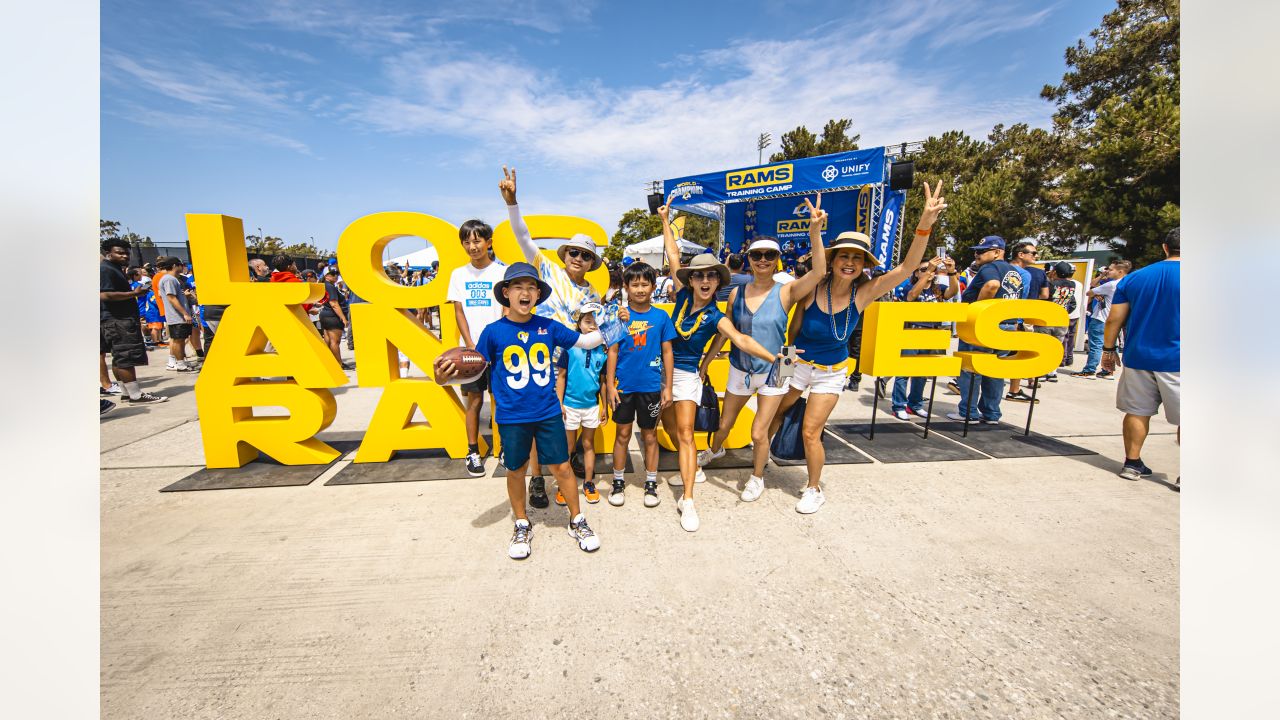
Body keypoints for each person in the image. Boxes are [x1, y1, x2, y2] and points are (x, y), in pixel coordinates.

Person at [770, 182, 947, 513]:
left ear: (863, 264)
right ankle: (763, 460)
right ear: (834, 259)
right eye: (844, 256)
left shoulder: (863, 294)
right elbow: (793, 332)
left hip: (831, 373)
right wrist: (785, 366)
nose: (849, 262)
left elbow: (907, 268)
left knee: (811, 430)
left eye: (857, 258)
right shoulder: (813, 288)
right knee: (774, 412)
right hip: (796, 365)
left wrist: (924, 223)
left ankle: (813, 488)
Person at [436, 262, 608, 560]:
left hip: (547, 412)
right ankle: (521, 522)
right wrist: (443, 377)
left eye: (531, 287)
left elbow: (586, 340)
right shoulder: (493, 332)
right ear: (506, 293)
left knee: (563, 467)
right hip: (512, 415)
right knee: (516, 470)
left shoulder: (549, 326)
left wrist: (617, 323)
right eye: (518, 287)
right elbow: (475, 371)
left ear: (538, 295)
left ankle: (576, 519)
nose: (525, 292)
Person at [656, 200, 784, 531]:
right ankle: (690, 469)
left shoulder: (716, 316)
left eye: (710, 276)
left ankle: (689, 500)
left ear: (717, 281)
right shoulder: (683, 296)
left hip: (684, 375)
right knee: (669, 429)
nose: (703, 280)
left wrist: (776, 358)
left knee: (686, 434)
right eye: (698, 275)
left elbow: (741, 340)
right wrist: (665, 220)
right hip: (657, 367)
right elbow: (672, 256)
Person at [696, 196, 830, 502]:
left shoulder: (788, 290)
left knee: (759, 432)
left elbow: (820, 272)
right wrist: (707, 362)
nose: (763, 260)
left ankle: (756, 477)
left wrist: (815, 232)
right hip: (740, 365)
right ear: (749, 259)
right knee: (724, 424)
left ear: (777, 258)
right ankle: (713, 452)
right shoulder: (737, 293)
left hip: (781, 364)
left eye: (770, 255)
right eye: (757, 255)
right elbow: (727, 333)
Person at [500, 166, 604, 508]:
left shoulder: (592, 292)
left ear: (591, 263)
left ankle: (564, 473)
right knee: (532, 423)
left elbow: (594, 334)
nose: (578, 258)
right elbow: (522, 236)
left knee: (562, 424)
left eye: (585, 255)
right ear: (565, 255)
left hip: (572, 360)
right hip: (538, 355)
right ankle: (537, 479)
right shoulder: (546, 269)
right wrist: (513, 203)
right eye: (574, 252)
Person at [1102, 230, 1179, 482]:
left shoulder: (1135, 278)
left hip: (1138, 356)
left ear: (1165, 247)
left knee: (1137, 411)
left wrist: (1108, 349)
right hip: (1180, 360)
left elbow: (1114, 318)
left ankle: (1132, 464)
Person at [605, 261, 676, 509]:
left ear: (654, 286)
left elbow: (668, 352)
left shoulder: (661, 317)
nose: (640, 289)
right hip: (623, 387)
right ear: (625, 287)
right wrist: (610, 386)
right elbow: (612, 351)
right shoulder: (618, 315)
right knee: (622, 434)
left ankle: (651, 483)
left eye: (645, 284)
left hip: (651, 388)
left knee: (649, 435)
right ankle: (617, 481)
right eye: (634, 284)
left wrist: (667, 386)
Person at [446, 218, 507, 477]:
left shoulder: (501, 272)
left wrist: (497, 343)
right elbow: (459, 312)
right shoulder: (458, 274)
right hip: (470, 353)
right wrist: (471, 345)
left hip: (499, 350)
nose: (473, 246)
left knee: (501, 400)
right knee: (474, 401)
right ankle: (472, 451)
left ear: (489, 242)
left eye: (477, 241)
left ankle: (505, 448)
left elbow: (507, 309)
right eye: (467, 242)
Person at [946, 235, 1023, 424]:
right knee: (994, 371)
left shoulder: (991, 268)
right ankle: (991, 413)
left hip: (985, 325)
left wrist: (979, 311)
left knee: (971, 369)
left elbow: (992, 285)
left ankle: (968, 412)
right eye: (976, 251)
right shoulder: (1014, 271)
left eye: (982, 251)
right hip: (1006, 324)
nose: (976, 255)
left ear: (997, 252)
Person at [890, 254, 958, 420]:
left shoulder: (938, 289)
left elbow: (953, 292)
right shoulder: (908, 287)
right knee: (904, 372)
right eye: (923, 269)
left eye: (933, 269)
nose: (931, 272)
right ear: (916, 273)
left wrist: (951, 272)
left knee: (922, 373)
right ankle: (899, 405)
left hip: (932, 332)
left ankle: (915, 405)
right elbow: (912, 296)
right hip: (912, 332)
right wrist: (928, 272)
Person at [100, 239, 167, 404]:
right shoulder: (106, 269)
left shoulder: (114, 269)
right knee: (126, 356)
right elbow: (104, 295)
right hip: (118, 320)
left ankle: (126, 392)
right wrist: (134, 294)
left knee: (119, 357)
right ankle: (136, 395)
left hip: (118, 319)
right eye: (120, 252)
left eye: (126, 253)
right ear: (108, 253)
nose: (125, 256)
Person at [555, 305, 608, 506]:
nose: (592, 326)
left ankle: (588, 483)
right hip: (570, 405)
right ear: (579, 324)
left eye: (595, 322)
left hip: (591, 406)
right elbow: (561, 376)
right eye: (587, 322)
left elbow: (602, 381)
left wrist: (604, 406)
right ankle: (563, 486)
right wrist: (559, 403)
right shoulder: (570, 348)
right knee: (568, 447)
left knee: (588, 445)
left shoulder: (602, 351)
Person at [1005, 241, 1049, 401]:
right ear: (1020, 254)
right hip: (1016, 319)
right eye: (1033, 253)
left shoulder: (1002, 268)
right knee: (1019, 355)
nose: (1036, 256)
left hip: (1003, 317)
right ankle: (1015, 390)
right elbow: (1043, 295)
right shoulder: (1028, 274)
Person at [1073, 260, 1131, 379]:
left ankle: (1089, 370)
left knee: (1095, 345)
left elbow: (1089, 291)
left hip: (1101, 318)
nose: (1108, 271)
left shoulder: (1111, 285)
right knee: (1110, 346)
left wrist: (1101, 277)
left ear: (1120, 271)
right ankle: (1107, 371)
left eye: (1110, 269)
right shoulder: (1129, 284)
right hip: (1116, 320)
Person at [1038, 261, 1079, 383]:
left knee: (1043, 346)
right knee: (1056, 347)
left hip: (1047, 319)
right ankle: (1052, 372)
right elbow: (1072, 303)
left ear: (1054, 271)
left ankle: (1041, 372)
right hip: (1061, 319)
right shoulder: (1072, 285)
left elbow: (1045, 297)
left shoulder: (1051, 284)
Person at [157, 257, 197, 372]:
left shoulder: (170, 279)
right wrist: (185, 313)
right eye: (180, 265)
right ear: (175, 266)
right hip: (177, 316)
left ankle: (179, 362)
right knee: (178, 340)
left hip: (176, 316)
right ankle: (180, 364)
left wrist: (185, 296)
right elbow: (171, 297)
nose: (182, 267)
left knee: (177, 339)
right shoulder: (170, 279)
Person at [318, 268, 350, 366]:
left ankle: (330, 363)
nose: (335, 275)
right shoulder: (330, 287)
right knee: (335, 341)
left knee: (328, 340)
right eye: (332, 273)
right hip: (332, 316)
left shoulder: (328, 286)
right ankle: (339, 364)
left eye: (336, 273)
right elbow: (334, 304)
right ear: (326, 276)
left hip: (326, 315)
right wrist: (343, 318)